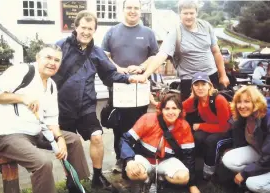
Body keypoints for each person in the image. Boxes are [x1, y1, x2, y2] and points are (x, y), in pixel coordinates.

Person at [52, 10, 140, 190]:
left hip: (86, 107)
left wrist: (128, 78)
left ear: (95, 30)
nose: (86, 32)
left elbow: (109, 75)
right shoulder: (60, 47)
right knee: (68, 144)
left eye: (90, 29)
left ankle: (97, 176)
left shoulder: (97, 52)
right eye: (83, 27)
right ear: (76, 27)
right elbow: (46, 70)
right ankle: (72, 179)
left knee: (97, 137)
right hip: (61, 107)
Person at [0, 45, 90, 193]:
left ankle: (76, 186)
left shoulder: (51, 85)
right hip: (9, 135)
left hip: (37, 133)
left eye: (57, 60)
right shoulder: (23, 71)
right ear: (38, 58)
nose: (52, 63)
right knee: (43, 163)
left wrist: (60, 138)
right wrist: (22, 98)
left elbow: (51, 119)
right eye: (48, 58)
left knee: (73, 140)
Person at [129, 0, 229, 101]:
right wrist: (145, 75)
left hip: (210, 77)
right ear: (180, 14)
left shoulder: (206, 27)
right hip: (189, 80)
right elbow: (161, 55)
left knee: (214, 109)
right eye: (185, 13)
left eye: (191, 13)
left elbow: (216, 52)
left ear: (196, 13)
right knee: (191, 113)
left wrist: (223, 75)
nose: (189, 16)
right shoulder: (175, 33)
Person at [101, 0, 159, 173]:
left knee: (140, 122)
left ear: (141, 11)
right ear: (123, 10)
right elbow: (104, 56)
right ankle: (121, 159)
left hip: (140, 86)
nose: (132, 11)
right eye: (129, 8)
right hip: (119, 85)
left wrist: (141, 67)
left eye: (136, 8)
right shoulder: (111, 32)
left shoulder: (148, 33)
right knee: (119, 124)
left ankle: (137, 158)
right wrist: (118, 69)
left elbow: (154, 57)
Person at [120, 93, 200, 193]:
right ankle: (147, 180)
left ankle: (160, 180)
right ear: (161, 110)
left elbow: (189, 156)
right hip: (145, 159)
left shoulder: (184, 126)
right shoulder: (148, 119)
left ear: (180, 110)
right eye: (167, 108)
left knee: (183, 177)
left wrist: (192, 185)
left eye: (174, 108)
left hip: (165, 161)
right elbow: (125, 140)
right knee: (133, 172)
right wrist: (129, 160)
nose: (171, 112)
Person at [182, 72, 232, 180]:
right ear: (192, 88)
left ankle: (209, 173)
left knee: (211, 141)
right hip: (213, 127)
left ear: (209, 85)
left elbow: (225, 127)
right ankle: (195, 166)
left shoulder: (219, 100)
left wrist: (201, 126)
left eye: (203, 84)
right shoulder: (196, 100)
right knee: (197, 137)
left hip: (228, 131)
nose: (200, 88)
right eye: (196, 85)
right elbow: (178, 108)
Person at [222, 86, 270, 193]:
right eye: (239, 102)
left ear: (256, 102)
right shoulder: (244, 117)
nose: (242, 106)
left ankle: (256, 178)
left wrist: (245, 173)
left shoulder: (267, 118)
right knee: (228, 159)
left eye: (247, 101)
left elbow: (268, 157)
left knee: (253, 184)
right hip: (260, 152)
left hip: (267, 158)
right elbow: (240, 141)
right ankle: (257, 173)